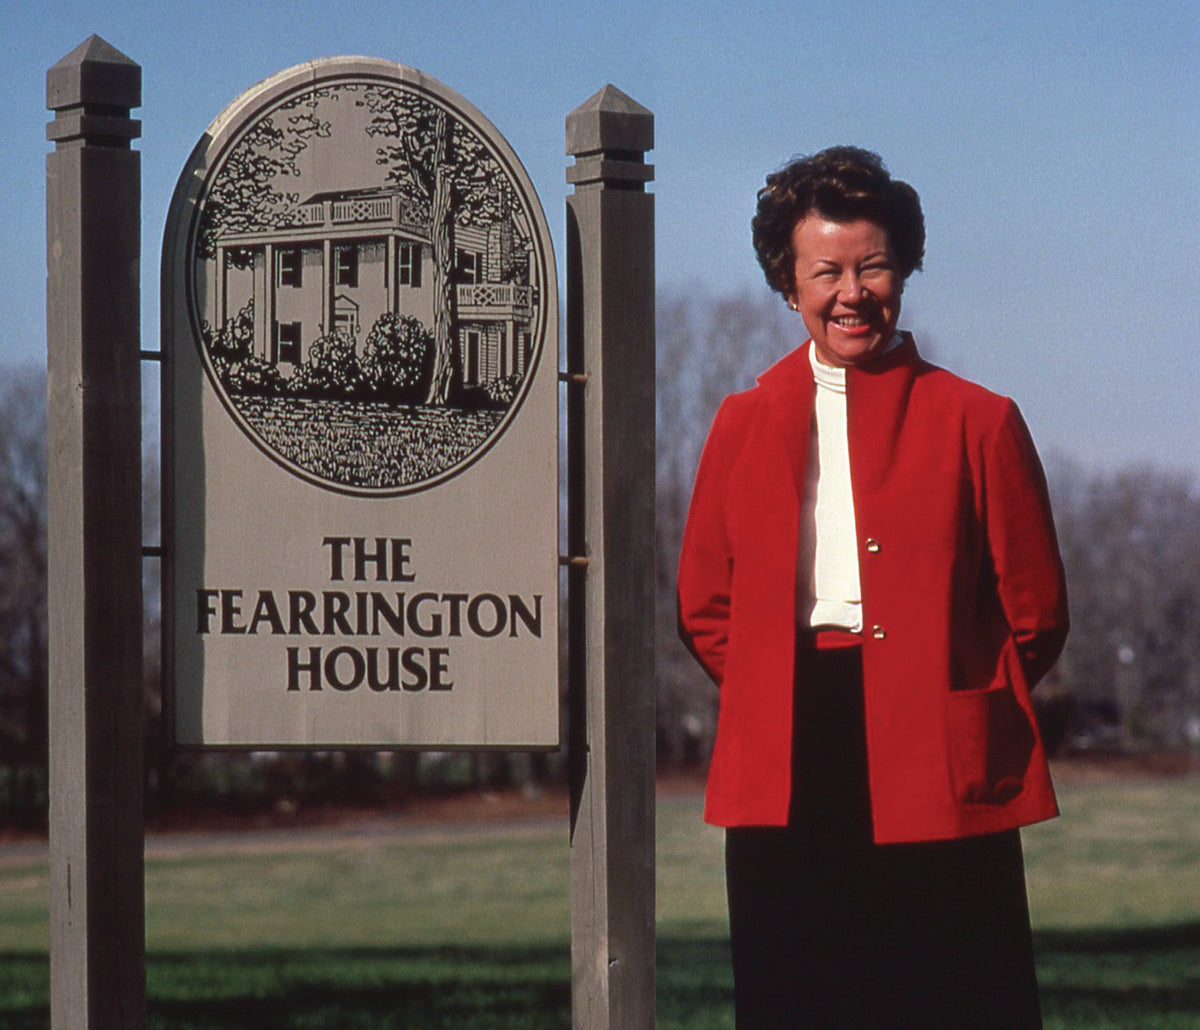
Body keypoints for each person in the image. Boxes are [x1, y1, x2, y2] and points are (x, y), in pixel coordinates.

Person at [676, 146, 1069, 1028]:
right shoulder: (742, 422)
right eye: (828, 272)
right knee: (801, 992)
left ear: (904, 271)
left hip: (938, 739)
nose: (853, 293)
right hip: (789, 742)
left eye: (874, 267)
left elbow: (1036, 612)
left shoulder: (982, 420)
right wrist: (778, 687)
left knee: (955, 992)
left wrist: (953, 688)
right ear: (789, 285)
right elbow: (705, 606)